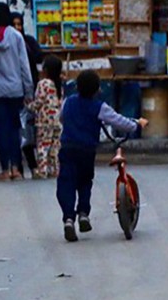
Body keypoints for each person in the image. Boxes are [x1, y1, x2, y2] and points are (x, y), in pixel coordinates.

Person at [57, 70, 148, 242]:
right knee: (84, 182)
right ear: (98, 90)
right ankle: (83, 213)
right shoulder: (99, 107)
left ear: (77, 87)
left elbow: (62, 118)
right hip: (87, 150)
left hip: (68, 148)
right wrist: (136, 125)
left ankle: (68, 219)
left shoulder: (68, 102)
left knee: (66, 183)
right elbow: (118, 121)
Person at [0, 2, 34, 181]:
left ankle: (4, 170)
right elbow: (24, 66)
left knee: (1, 130)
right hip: (15, 89)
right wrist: (29, 91)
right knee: (15, 129)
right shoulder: (16, 37)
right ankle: (17, 169)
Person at [11, 12, 43, 176]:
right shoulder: (10, 45)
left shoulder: (28, 42)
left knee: (28, 130)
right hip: (14, 92)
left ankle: (32, 165)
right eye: (14, 24)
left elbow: (38, 57)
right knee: (19, 131)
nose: (18, 28)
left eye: (20, 24)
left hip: (28, 93)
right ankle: (21, 167)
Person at [28, 55, 64, 178]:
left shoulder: (43, 83)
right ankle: (55, 169)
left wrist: (29, 106)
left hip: (44, 120)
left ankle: (42, 170)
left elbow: (39, 102)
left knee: (43, 145)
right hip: (57, 120)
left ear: (46, 69)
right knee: (55, 146)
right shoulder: (59, 85)